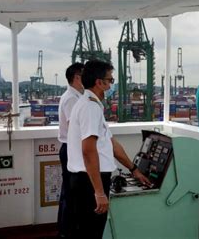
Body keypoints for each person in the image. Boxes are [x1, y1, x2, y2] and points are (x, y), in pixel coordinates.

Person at [67, 60, 151, 238]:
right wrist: (99, 192)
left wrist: (134, 169)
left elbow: (111, 144)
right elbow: (88, 151)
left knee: (89, 231)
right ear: (99, 82)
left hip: (88, 179)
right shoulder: (90, 107)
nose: (112, 84)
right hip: (88, 182)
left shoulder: (91, 104)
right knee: (90, 233)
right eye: (110, 80)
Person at [57, 62, 84, 238]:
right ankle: (68, 232)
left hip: (72, 149)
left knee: (69, 192)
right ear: (76, 77)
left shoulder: (73, 97)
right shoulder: (72, 99)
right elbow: (76, 128)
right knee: (71, 193)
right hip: (72, 149)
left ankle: (66, 230)